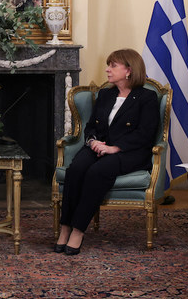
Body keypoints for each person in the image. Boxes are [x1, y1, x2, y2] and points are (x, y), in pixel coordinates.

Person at [56, 49, 160, 255]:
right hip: (99, 146)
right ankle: (65, 226)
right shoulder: (105, 94)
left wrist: (114, 148)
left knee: (97, 172)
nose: (107, 69)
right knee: (76, 168)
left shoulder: (147, 97)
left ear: (129, 70)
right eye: (108, 64)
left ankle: (78, 230)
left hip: (130, 152)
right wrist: (93, 141)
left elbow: (146, 134)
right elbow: (92, 125)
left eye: (113, 65)